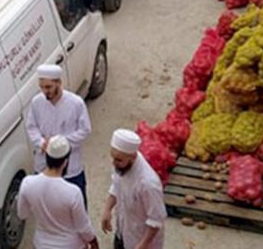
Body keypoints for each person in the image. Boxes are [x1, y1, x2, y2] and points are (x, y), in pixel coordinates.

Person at [25, 64, 92, 207]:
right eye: (42, 87)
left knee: (76, 205)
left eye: (48, 87)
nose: (45, 91)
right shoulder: (37, 102)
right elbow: (31, 126)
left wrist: (60, 143)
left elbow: (84, 130)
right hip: (44, 164)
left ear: (59, 83)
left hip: (71, 167)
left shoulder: (76, 103)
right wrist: (41, 142)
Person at [17, 135, 99, 249]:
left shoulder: (28, 183)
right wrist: (93, 240)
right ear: (66, 162)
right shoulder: (73, 192)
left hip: (41, 244)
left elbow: (22, 214)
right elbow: (83, 226)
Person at [101, 129, 167, 249]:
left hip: (141, 242)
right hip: (123, 233)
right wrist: (107, 209)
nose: (114, 163)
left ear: (133, 157)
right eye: (113, 158)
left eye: (118, 160)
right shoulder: (121, 166)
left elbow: (156, 220)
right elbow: (116, 186)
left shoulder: (148, 183)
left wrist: (143, 245)